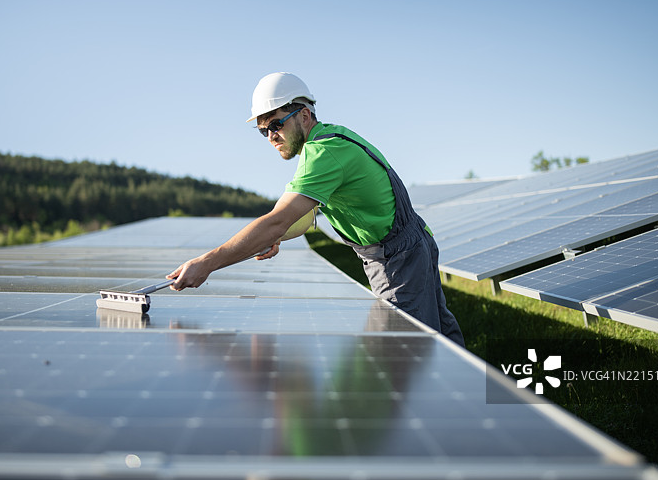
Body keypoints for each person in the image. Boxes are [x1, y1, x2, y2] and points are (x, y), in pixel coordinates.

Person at [167, 72, 464, 347]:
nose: (271, 136)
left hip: (397, 260)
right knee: (442, 341)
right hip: (414, 244)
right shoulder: (332, 137)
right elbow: (305, 215)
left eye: (276, 124)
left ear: (304, 115)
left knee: (402, 355)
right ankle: (477, 396)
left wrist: (207, 263)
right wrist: (278, 236)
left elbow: (277, 220)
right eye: (263, 131)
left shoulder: (322, 154)